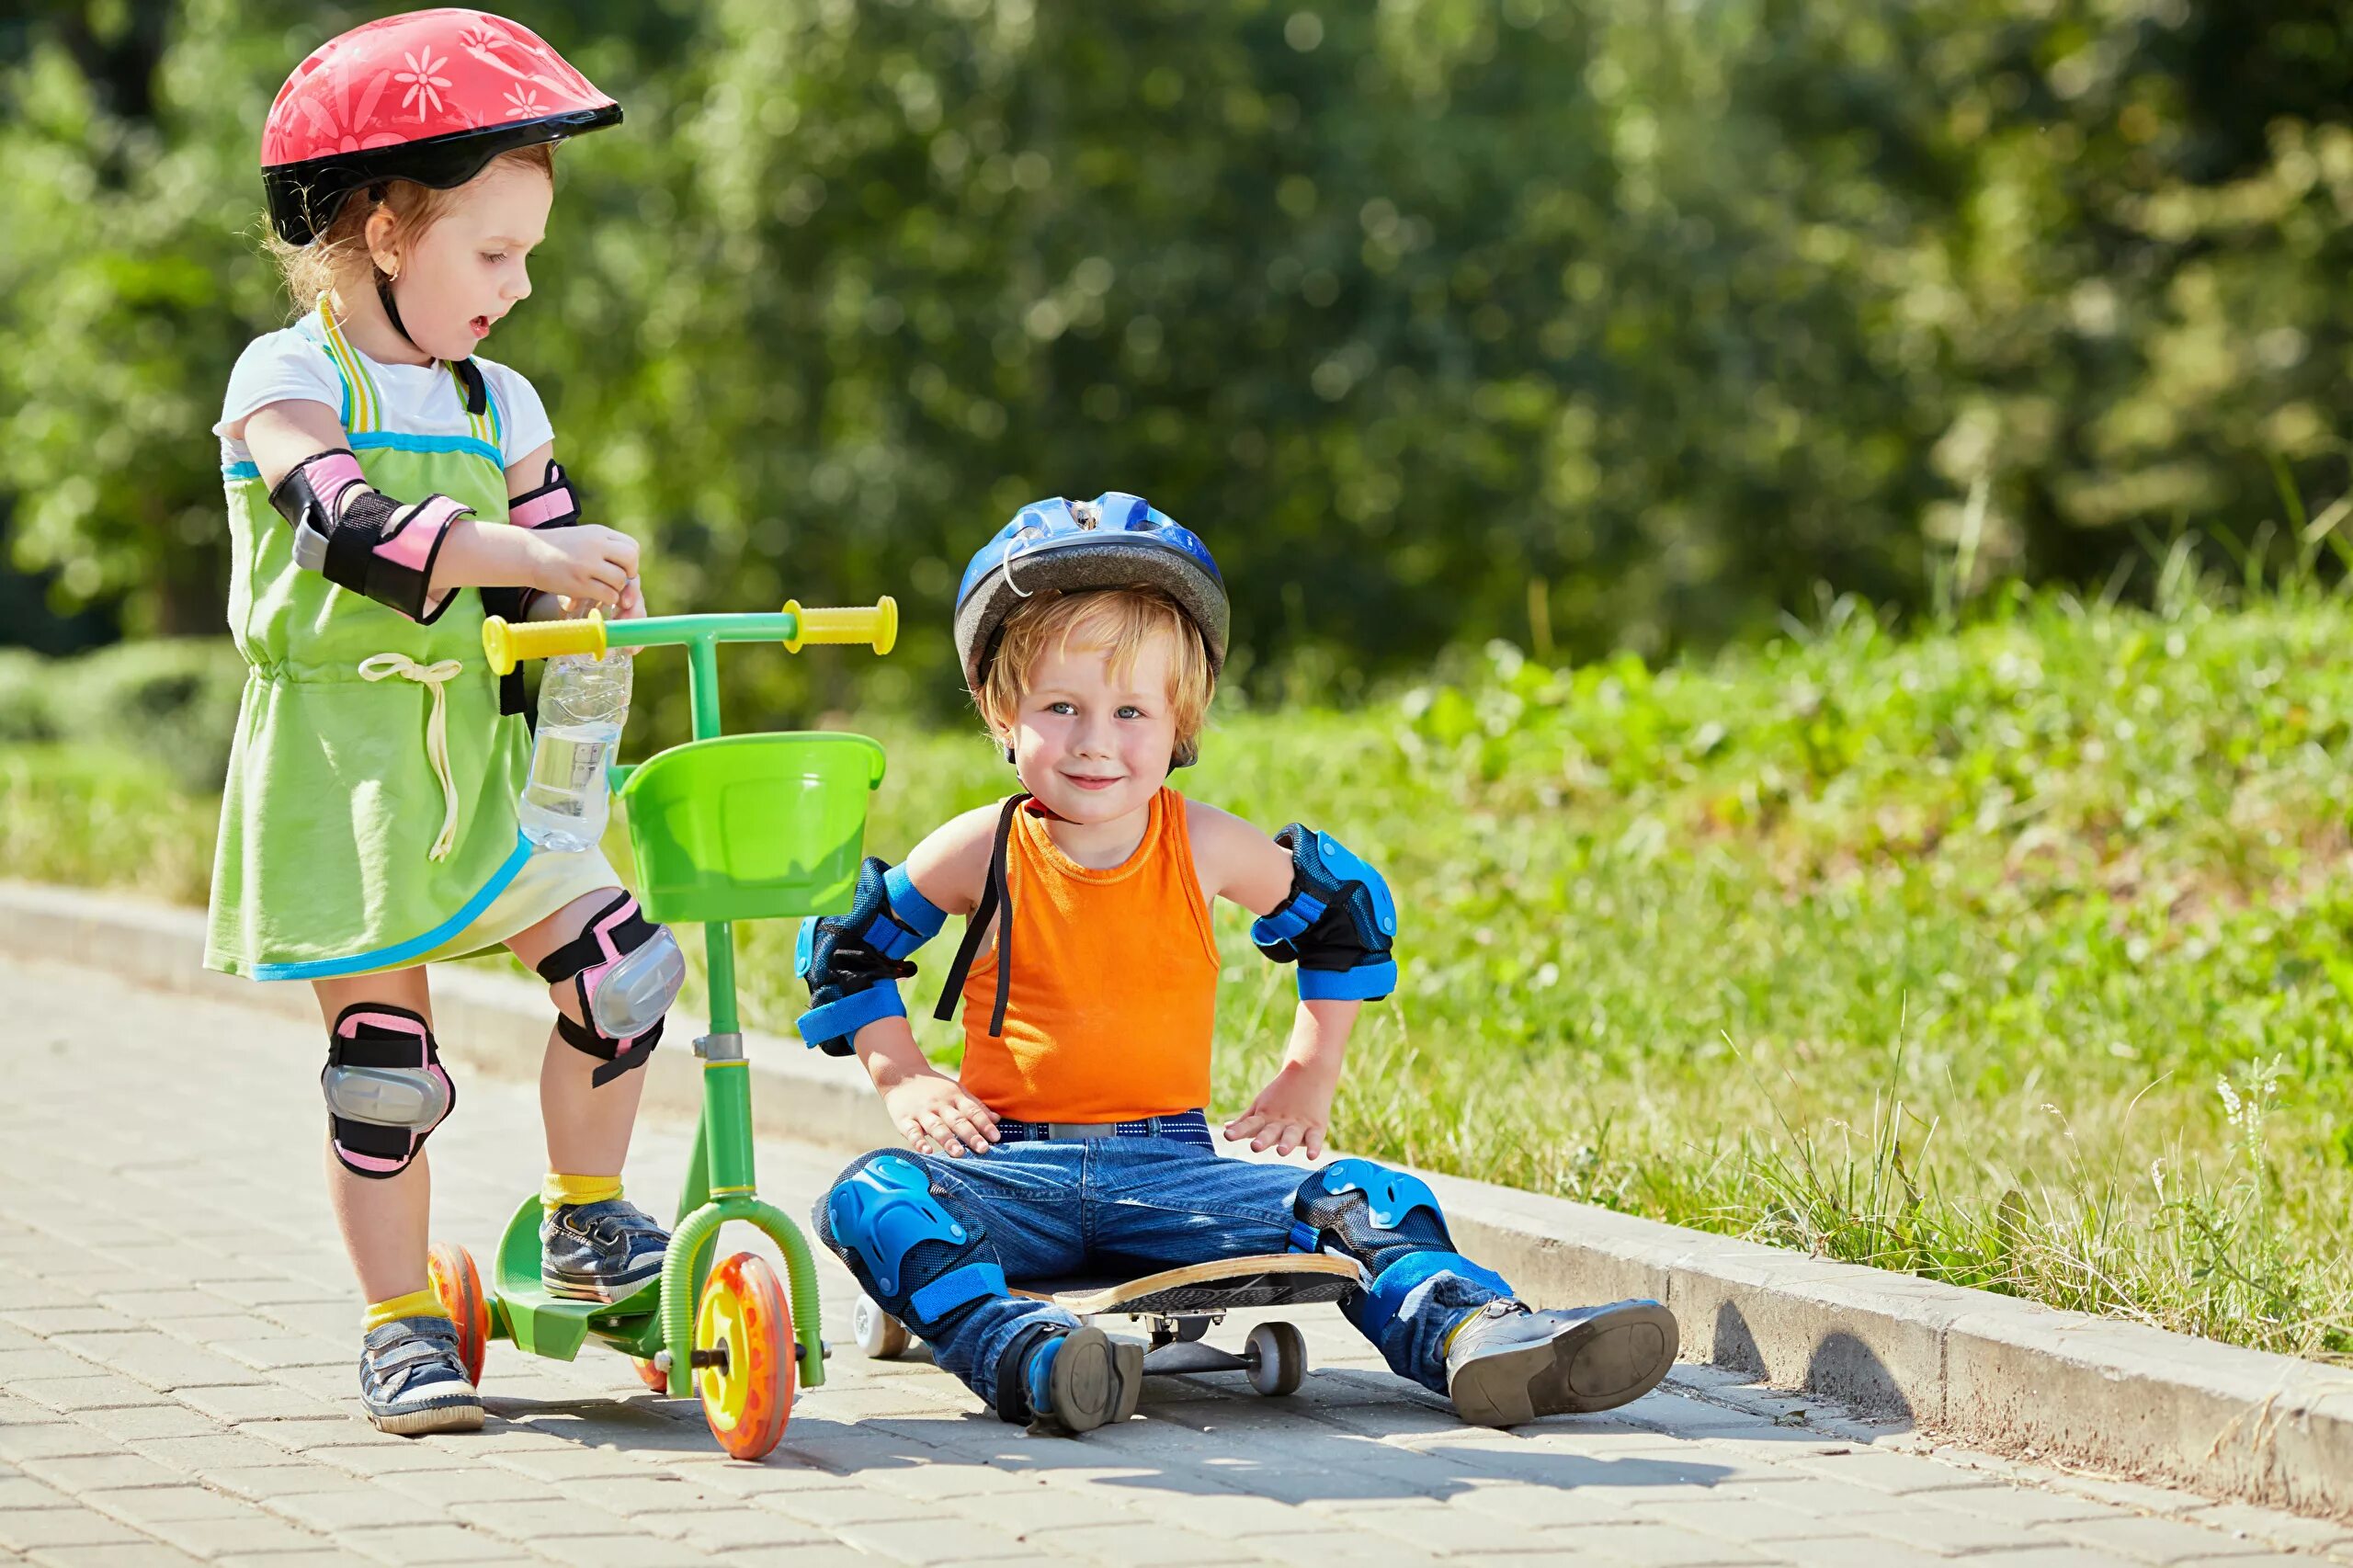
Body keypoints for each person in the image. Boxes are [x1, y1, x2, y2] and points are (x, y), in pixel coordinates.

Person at [798, 493, 1679, 1433]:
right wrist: (904, 1076)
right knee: (871, 1196)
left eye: (1131, 709)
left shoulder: (1203, 843)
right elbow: (848, 947)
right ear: (999, 709)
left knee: (1369, 1199)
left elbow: (1345, 919)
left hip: (1173, 1171)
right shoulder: (982, 846)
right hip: (1010, 1171)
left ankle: (1476, 1336)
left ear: (1181, 717)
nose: (1096, 738)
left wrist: (1308, 1074)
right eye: (1062, 706)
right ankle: (1029, 1353)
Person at [210, 11, 678, 1435]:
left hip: (479, 757)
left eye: (530, 255)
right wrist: (534, 557)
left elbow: (543, 585)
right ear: (382, 225)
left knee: (624, 975)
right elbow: (350, 528)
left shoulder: (503, 397)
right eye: (495, 253)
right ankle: (401, 1320)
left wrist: (589, 609)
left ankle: (588, 1214)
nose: (518, 287)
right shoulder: (286, 380)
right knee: (384, 1071)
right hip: (342, 762)